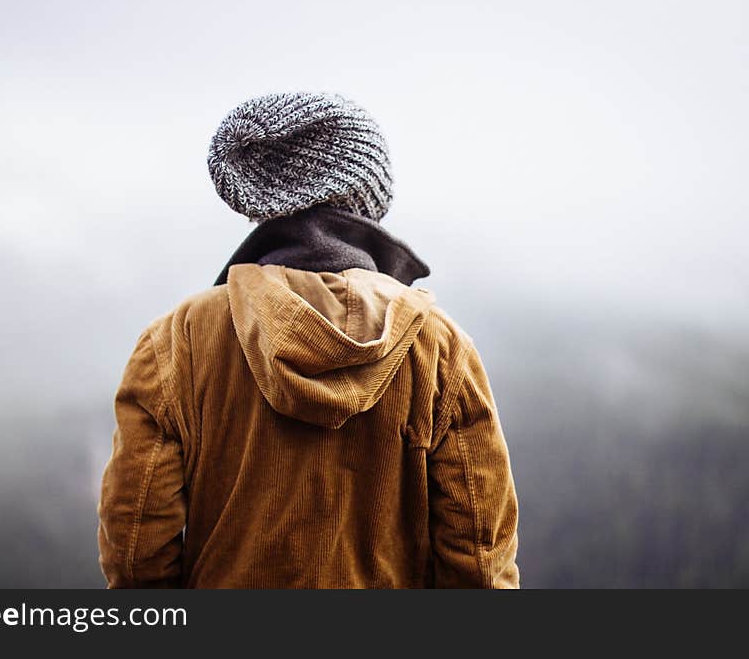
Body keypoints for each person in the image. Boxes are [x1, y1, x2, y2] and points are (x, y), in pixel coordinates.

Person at [97, 92, 519, 588]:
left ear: (268, 205)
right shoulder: (439, 347)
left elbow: (134, 549)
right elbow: (480, 559)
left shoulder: (177, 342)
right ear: (367, 199)